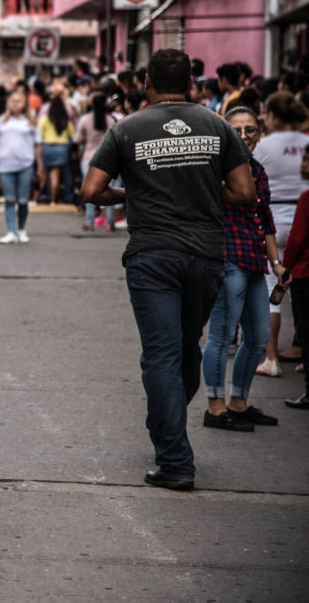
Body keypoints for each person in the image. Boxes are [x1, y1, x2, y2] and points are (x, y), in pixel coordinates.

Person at [81, 48, 254, 491]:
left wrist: (129, 195)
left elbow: (90, 190)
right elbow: (243, 193)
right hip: (206, 255)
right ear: (192, 85)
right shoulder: (217, 126)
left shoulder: (127, 129)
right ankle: (168, 425)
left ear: (147, 83)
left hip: (153, 255)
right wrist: (201, 189)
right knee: (186, 349)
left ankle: (174, 456)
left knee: (161, 355)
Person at [200, 105, 281, 432]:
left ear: (259, 133)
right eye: (237, 130)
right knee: (220, 336)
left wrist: (277, 262)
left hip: (255, 262)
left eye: (250, 129)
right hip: (227, 259)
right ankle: (215, 407)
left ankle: (239, 402)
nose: (245, 135)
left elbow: (265, 220)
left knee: (259, 335)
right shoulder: (215, 169)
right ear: (224, 133)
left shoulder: (258, 170)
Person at [254, 92, 309, 376]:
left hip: (273, 221)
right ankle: (304, 354)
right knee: (303, 289)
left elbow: (251, 179)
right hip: (305, 219)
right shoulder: (307, 142)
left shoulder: (264, 145)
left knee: (271, 287)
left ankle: (271, 357)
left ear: (273, 116)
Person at [0, 90, 43, 244]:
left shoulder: (30, 121)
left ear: (24, 103)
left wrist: (40, 166)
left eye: (19, 101)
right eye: (13, 101)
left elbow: (37, 145)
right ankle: (11, 231)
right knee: (10, 199)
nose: (15, 104)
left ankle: (22, 229)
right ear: (8, 104)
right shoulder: (1, 121)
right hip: (5, 165)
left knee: (23, 200)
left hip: (25, 164)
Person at [281, 144, 309, 410]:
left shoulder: (307, 198)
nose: (303, 164)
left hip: (304, 273)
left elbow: (296, 239)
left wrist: (285, 267)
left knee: (306, 332)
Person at [76, 91, 116, 231]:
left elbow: (78, 139)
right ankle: (110, 222)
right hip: (107, 159)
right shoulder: (111, 120)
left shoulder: (85, 120)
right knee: (109, 190)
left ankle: (89, 222)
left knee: (88, 191)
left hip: (88, 157)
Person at [37, 93, 75, 204]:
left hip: (47, 147)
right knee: (55, 175)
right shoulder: (65, 119)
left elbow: (39, 132)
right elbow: (72, 133)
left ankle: (42, 197)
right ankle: (53, 200)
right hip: (61, 148)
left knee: (45, 174)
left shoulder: (45, 118)